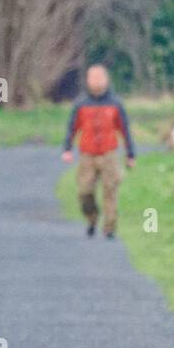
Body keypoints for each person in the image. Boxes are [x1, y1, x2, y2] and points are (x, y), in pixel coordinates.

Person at [61, 64, 135, 239]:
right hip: (87, 154)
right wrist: (67, 149)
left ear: (106, 80)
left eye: (99, 78)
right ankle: (92, 218)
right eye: (92, 78)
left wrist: (131, 154)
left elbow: (125, 130)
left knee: (110, 190)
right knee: (84, 191)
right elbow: (72, 127)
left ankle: (109, 227)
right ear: (87, 81)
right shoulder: (81, 104)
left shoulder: (115, 104)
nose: (96, 82)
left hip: (109, 154)